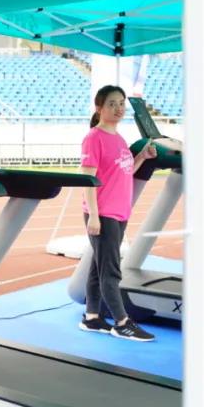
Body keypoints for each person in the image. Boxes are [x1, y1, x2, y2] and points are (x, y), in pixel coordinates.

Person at [78, 85, 157, 342]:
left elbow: (124, 172)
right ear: (99, 108)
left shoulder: (120, 139)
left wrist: (141, 157)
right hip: (103, 213)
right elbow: (88, 179)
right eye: (112, 103)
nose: (119, 108)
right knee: (111, 271)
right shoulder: (94, 137)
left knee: (98, 267)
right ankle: (122, 323)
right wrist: (94, 215)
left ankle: (92, 317)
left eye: (121, 103)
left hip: (119, 213)